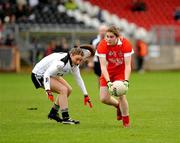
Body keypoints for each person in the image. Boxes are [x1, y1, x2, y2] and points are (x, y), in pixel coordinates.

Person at [31, 46, 94, 125]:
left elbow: (79, 79)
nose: (78, 62)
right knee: (63, 89)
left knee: (69, 89)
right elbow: (47, 74)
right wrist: (48, 90)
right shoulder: (61, 63)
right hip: (39, 75)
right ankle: (66, 118)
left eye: (80, 60)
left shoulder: (74, 63)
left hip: (51, 73)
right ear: (71, 55)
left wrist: (86, 95)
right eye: (77, 59)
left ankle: (53, 113)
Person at [96, 25, 134, 128]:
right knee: (103, 98)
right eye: (107, 36)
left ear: (117, 37)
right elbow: (103, 67)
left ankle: (126, 122)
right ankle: (118, 106)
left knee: (121, 95)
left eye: (111, 37)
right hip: (107, 72)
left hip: (120, 72)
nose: (108, 39)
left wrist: (126, 81)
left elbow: (127, 65)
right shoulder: (102, 45)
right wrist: (108, 82)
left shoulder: (125, 44)